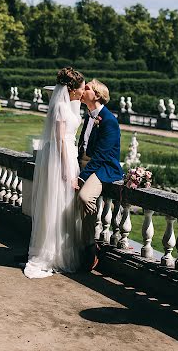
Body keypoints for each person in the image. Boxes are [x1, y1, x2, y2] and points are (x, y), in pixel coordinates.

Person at [24, 67, 85, 279]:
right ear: (72, 88)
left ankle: (62, 250)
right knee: (55, 203)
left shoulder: (71, 104)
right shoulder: (59, 106)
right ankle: (51, 253)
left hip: (70, 154)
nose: (84, 89)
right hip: (61, 158)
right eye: (82, 86)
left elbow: (73, 126)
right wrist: (67, 170)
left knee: (64, 205)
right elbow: (59, 140)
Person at [76, 79, 124, 270]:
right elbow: (83, 146)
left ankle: (90, 246)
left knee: (85, 196)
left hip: (103, 168)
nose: (82, 90)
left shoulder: (109, 121)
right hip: (84, 163)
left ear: (96, 95)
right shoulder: (88, 116)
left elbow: (102, 156)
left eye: (86, 88)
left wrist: (80, 177)